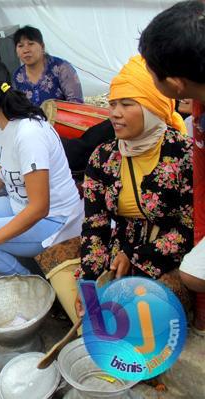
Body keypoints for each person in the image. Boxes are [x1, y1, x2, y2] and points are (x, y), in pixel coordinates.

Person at [74, 56, 193, 315]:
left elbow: (189, 226)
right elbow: (96, 224)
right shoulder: (104, 157)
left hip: (168, 252)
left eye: (126, 104)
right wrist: (89, 280)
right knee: (87, 301)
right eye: (112, 103)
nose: (115, 113)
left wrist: (135, 258)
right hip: (120, 248)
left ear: (153, 109)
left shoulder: (184, 154)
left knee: (141, 313)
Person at [0, 59, 84, 275]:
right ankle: (13, 266)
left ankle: (27, 281)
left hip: (55, 220)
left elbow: (40, 208)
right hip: (17, 205)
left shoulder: (29, 135)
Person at [138, 0, 205, 330]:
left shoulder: (175, 147)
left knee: (193, 274)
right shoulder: (102, 156)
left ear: (175, 85)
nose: (115, 113)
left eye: (151, 73)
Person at [12, 26, 83, 106]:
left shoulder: (61, 68)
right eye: (20, 46)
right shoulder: (17, 76)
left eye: (31, 44)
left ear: (42, 46)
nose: (26, 50)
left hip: (62, 118)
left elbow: (76, 104)